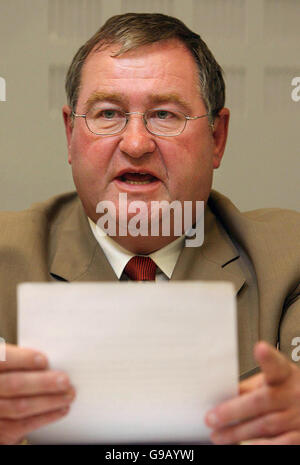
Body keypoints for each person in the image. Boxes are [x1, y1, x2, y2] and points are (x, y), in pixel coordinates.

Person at [0, 13, 299, 445]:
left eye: (164, 114)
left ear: (217, 138)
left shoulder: (288, 260)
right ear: (70, 134)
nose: (136, 144)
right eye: (108, 114)